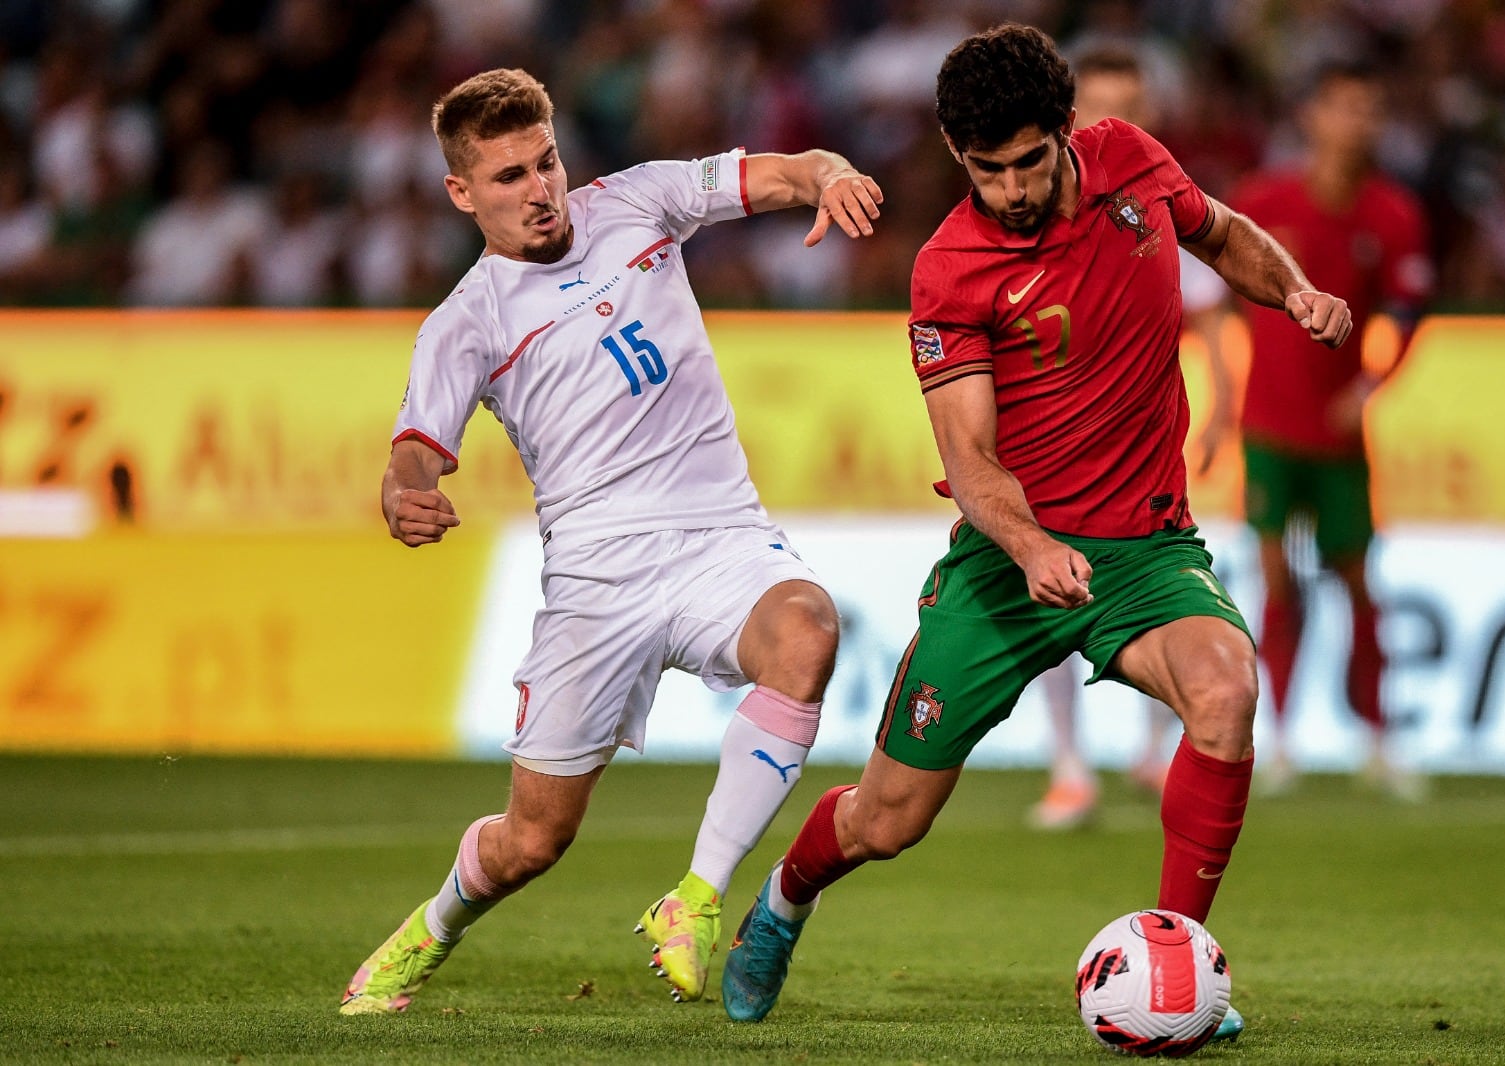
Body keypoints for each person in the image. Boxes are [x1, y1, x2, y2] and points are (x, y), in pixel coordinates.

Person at [719, 25, 1352, 1043]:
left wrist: (1297, 293)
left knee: (1227, 692)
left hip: (1144, 549)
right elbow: (971, 461)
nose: (1010, 189)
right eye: (985, 170)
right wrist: (1028, 546)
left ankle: (1175, 968)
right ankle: (784, 902)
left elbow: (1226, 233)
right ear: (952, 150)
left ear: (1068, 131)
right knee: (889, 818)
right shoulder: (949, 271)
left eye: (1028, 163)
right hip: (1004, 564)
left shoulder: (1135, 166)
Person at [337, 68, 883, 1015]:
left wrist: (830, 174)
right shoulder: (465, 322)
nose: (539, 189)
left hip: (721, 537)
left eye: (545, 161)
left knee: (807, 632)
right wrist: (403, 497)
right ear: (460, 192)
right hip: (596, 580)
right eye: (507, 177)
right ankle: (429, 931)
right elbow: (415, 457)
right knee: (533, 842)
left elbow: (787, 171)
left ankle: (699, 899)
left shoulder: (638, 200)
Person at [1026, 47, 1234, 830]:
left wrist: (1223, 413)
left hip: (1147, 448)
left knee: (1159, 583)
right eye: (1107, 105)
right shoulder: (1039, 209)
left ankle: (1152, 749)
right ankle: (1069, 765)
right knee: (1051, 593)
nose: (1123, 122)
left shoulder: (1163, 204)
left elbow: (1212, 318)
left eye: (1134, 104)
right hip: (1057, 449)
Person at [1225, 62, 1432, 799]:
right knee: (1276, 579)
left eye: (1370, 109)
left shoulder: (1394, 214)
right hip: (1270, 428)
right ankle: (1277, 741)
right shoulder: (1262, 200)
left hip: (1340, 439)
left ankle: (1378, 741)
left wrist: (1370, 386)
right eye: (1346, 107)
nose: (1359, 123)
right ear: (1312, 116)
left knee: (1356, 583)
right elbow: (1221, 301)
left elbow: (1408, 314)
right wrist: (1221, 399)